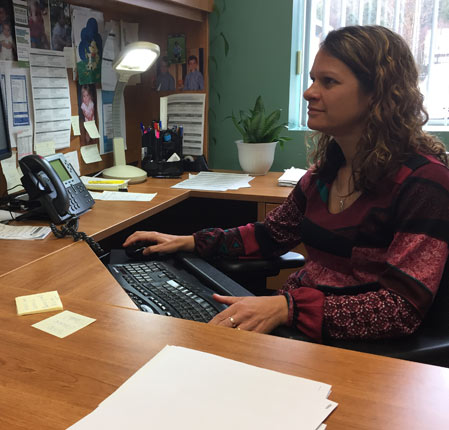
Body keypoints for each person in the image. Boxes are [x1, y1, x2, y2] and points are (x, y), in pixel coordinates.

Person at [124, 26, 449, 342]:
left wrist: (288, 308)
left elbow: (400, 309)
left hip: (355, 349)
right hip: (297, 325)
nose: (309, 92)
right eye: (312, 79)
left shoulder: (424, 183)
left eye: (328, 81)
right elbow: (270, 236)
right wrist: (188, 242)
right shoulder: (325, 173)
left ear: (377, 93)